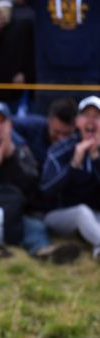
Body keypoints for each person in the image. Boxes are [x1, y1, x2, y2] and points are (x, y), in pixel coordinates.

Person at [0, 100, 80, 263]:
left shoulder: (22, 153)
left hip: (17, 214)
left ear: (10, 126)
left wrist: (11, 158)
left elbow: (33, 189)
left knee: (35, 227)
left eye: (1, 121)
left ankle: (43, 250)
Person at [40, 95, 100, 261]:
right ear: (78, 122)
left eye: (96, 117)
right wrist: (74, 164)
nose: (91, 121)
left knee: (90, 215)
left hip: (95, 215)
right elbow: (46, 189)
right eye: (86, 116)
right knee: (82, 212)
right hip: (59, 215)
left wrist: (95, 158)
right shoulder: (61, 148)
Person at [12, 97, 77, 168]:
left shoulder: (82, 135)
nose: (61, 138)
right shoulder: (34, 126)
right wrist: (21, 145)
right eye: (56, 132)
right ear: (49, 121)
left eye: (66, 134)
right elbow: (7, 124)